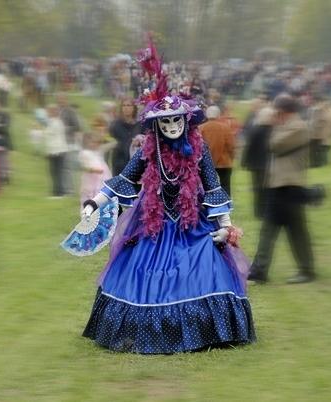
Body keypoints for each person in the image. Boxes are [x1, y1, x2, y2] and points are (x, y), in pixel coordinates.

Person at [79, 43, 255, 354]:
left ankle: (206, 331)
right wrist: (95, 202)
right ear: (156, 126)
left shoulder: (198, 149)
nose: (172, 126)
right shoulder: (149, 150)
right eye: (166, 122)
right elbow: (123, 179)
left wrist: (226, 226)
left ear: (187, 122)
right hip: (153, 224)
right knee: (144, 274)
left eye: (177, 121)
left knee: (202, 266)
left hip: (192, 224)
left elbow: (213, 184)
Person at [248, 96, 316, 285]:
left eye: (277, 111)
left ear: (286, 111)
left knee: (296, 232)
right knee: (268, 230)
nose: (275, 115)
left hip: (290, 186)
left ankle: (306, 270)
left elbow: (274, 145)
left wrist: (272, 125)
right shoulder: (286, 125)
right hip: (278, 186)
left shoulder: (299, 127)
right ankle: (260, 270)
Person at [241, 106, 273, 218]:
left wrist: (244, 161)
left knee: (258, 188)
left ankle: (259, 212)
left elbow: (249, 147)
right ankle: (266, 211)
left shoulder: (255, 130)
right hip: (269, 164)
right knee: (267, 188)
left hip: (256, 165)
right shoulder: (273, 130)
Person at [199, 106, 236, 195]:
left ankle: (209, 205)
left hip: (206, 164)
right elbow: (231, 146)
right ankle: (226, 205)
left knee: (207, 186)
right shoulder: (226, 128)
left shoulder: (201, 128)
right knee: (225, 185)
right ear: (219, 115)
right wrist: (232, 157)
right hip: (224, 163)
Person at [78, 131, 113, 205]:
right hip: (91, 179)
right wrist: (93, 170)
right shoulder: (84, 153)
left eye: (96, 142)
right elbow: (84, 166)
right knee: (90, 194)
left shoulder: (98, 152)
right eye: (92, 142)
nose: (94, 144)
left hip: (101, 178)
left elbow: (112, 144)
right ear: (86, 143)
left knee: (101, 194)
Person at [57, 93, 82, 195]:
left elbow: (77, 126)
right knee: (60, 167)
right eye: (59, 99)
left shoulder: (70, 111)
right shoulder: (57, 111)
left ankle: (70, 189)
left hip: (68, 142)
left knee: (67, 167)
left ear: (66, 100)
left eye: (62, 99)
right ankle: (62, 188)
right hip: (58, 143)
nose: (60, 101)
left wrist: (65, 128)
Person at [109, 97, 140, 176]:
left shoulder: (139, 125)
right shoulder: (115, 125)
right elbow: (111, 141)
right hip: (119, 162)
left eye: (129, 105)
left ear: (134, 108)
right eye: (124, 106)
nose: (126, 108)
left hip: (135, 162)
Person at [43, 104, 68, 197]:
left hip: (57, 150)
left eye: (49, 111)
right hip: (56, 150)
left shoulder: (55, 122)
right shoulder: (54, 122)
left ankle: (59, 192)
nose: (47, 113)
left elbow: (51, 137)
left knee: (57, 172)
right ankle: (56, 191)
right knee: (55, 172)